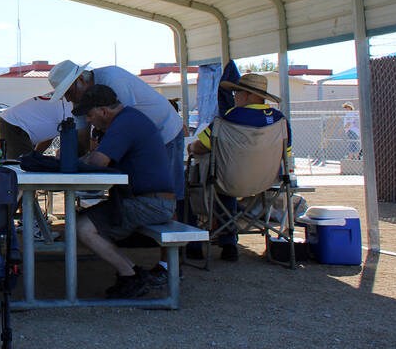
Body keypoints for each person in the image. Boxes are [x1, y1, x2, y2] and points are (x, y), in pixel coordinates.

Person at [72, 84, 176, 299]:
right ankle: (132, 272)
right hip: (149, 201)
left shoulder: (124, 123)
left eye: (90, 115)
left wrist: (71, 161)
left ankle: (130, 275)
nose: (89, 121)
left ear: (103, 111)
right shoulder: (129, 118)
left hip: (150, 204)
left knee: (81, 227)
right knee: (82, 221)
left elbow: (99, 161)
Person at [187, 72, 292, 262]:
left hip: (230, 180)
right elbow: (286, 154)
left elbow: (202, 146)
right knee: (226, 187)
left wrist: (190, 146)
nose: (234, 95)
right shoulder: (280, 120)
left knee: (199, 185)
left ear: (249, 95)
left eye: (237, 92)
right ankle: (229, 243)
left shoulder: (229, 118)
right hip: (267, 182)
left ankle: (198, 244)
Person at [0, 91, 74, 160]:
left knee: (28, 165)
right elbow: (76, 140)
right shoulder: (69, 105)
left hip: (11, 123)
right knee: (22, 169)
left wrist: (36, 156)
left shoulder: (63, 99)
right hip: (14, 126)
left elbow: (49, 135)